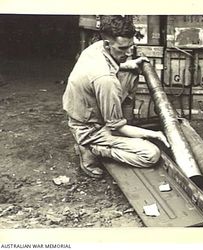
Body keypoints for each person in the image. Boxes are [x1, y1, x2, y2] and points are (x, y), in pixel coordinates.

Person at [62, 15, 169, 178]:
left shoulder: (97, 47)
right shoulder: (105, 80)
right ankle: (93, 148)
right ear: (107, 44)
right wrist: (154, 134)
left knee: (131, 73)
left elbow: (109, 65)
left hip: (85, 111)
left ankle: (120, 125)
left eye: (130, 47)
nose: (128, 53)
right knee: (151, 154)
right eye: (122, 49)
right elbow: (115, 126)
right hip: (89, 128)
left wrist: (127, 64)